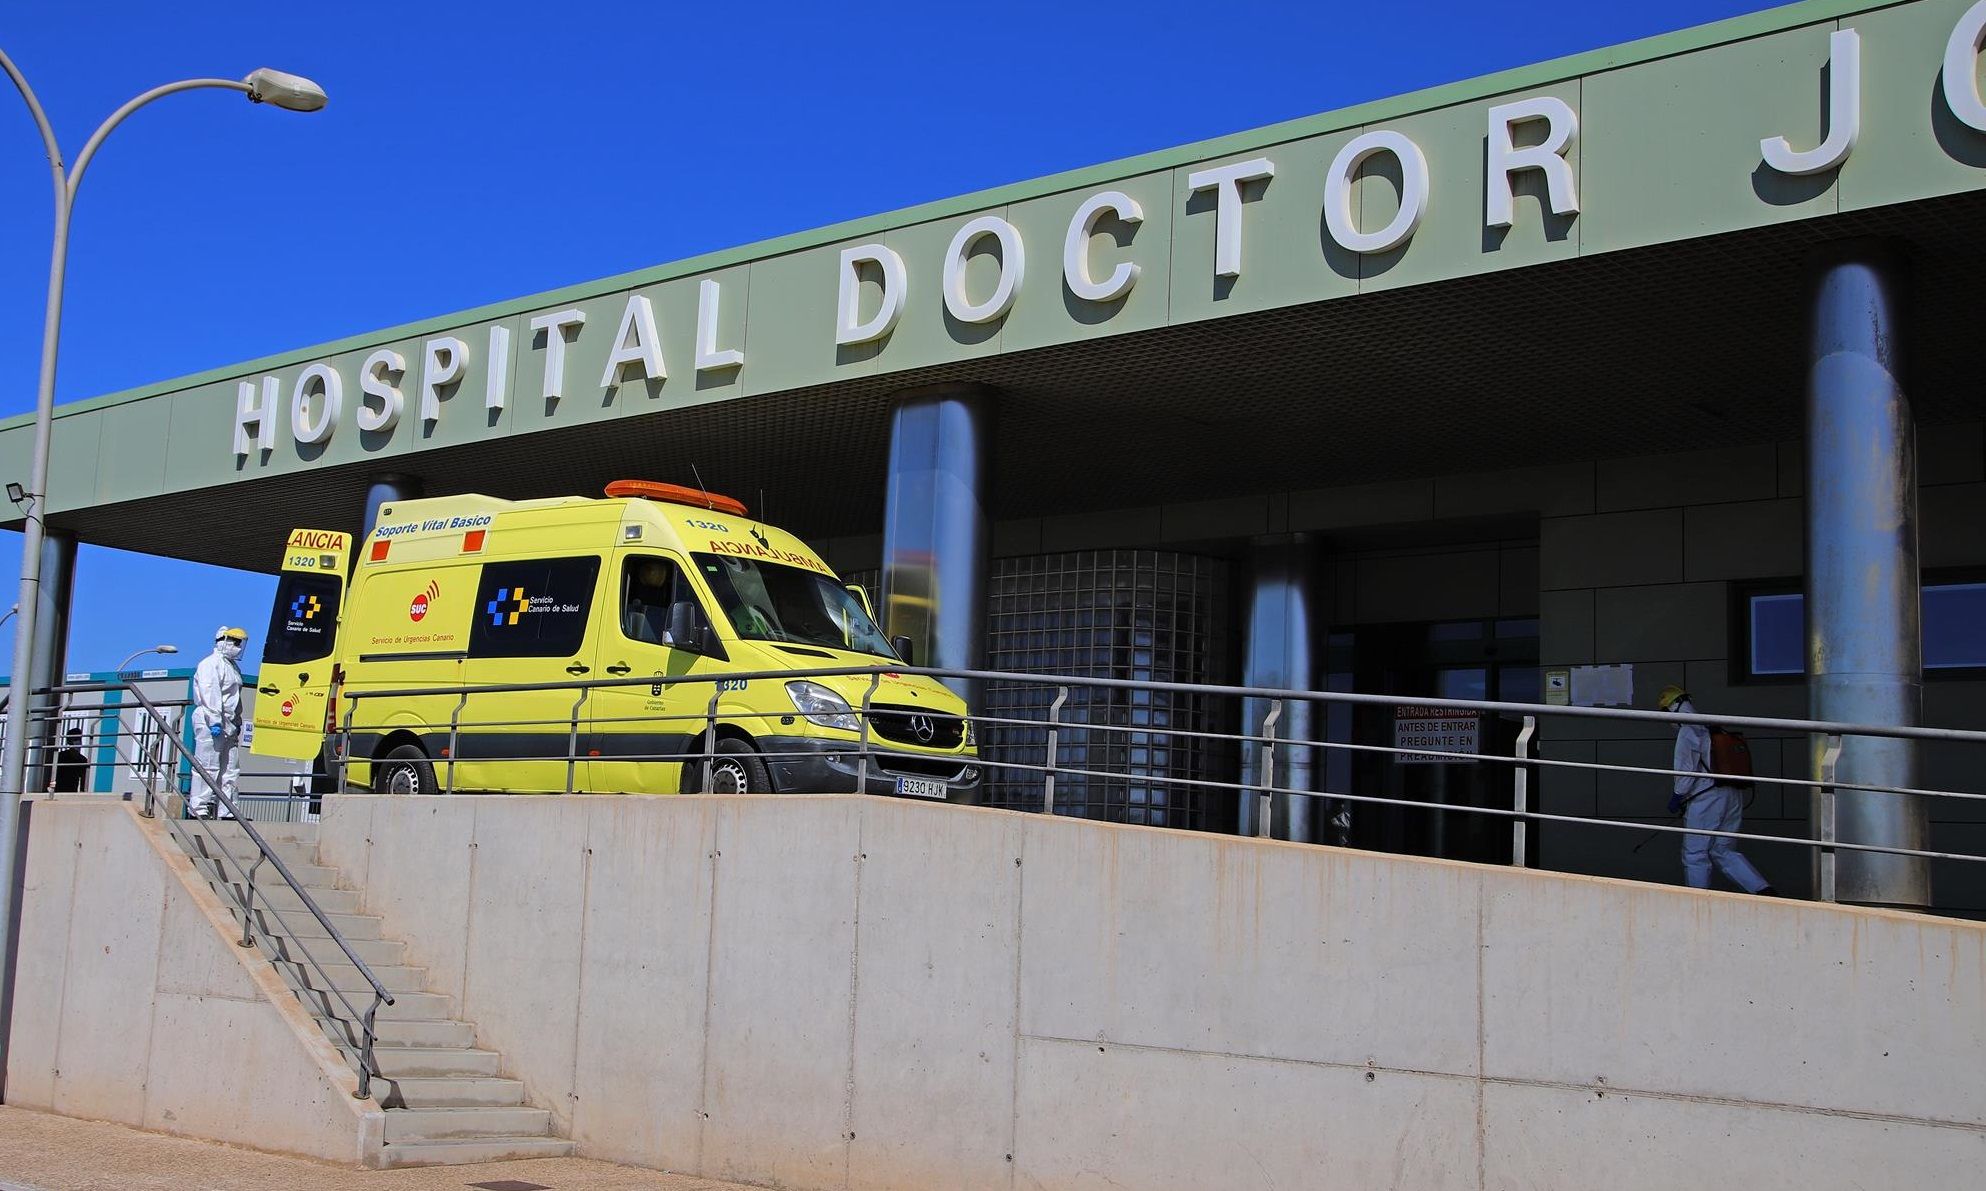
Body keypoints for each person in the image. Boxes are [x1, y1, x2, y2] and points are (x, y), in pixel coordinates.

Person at [1658, 684, 1774, 895]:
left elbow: (1686, 770)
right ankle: (1762, 890)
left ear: (1672, 708)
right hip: (1732, 793)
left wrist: (1677, 796)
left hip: (1706, 799)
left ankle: (1697, 900)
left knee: (1695, 853)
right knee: (1723, 850)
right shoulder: (1712, 726)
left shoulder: (1688, 730)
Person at [189, 626, 247, 820]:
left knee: (230, 768)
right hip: (209, 719)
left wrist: (236, 721)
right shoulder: (209, 664)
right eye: (236, 643)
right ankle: (199, 806)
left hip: (229, 722)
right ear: (224, 641)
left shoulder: (232, 667)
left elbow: (235, 698)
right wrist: (215, 721)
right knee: (208, 765)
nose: (239, 648)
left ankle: (229, 809)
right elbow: (210, 693)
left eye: (241, 643)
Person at [51, 727, 88, 793]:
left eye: (79, 739)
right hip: (58, 791)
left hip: (71, 792)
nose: (78, 742)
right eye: (75, 739)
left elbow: (83, 781)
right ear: (69, 741)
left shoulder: (83, 760)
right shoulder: (60, 757)